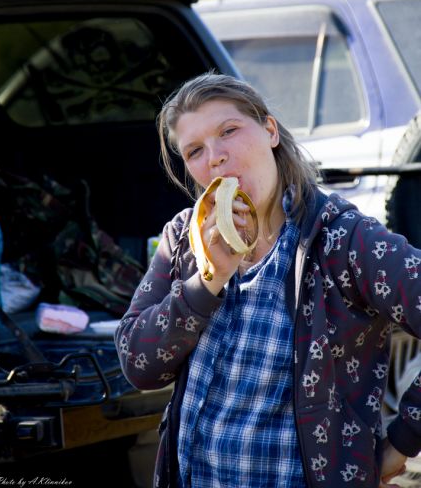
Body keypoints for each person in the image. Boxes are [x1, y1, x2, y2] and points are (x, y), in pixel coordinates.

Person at [115, 72, 421, 488]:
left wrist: (403, 440)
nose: (216, 157)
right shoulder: (185, 239)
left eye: (229, 131)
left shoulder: (342, 240)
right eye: (195, 151)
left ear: (270, 131)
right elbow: (138, 365)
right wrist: (208, 281)